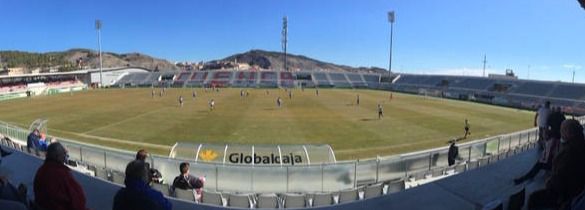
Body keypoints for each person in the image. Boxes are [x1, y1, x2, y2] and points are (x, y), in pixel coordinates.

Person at [527, 119, 585, 209]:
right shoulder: (579, 144)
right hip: (576, 192)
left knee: (534, 198)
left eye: (563, 130)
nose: (561, 132)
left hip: (566, 195)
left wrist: (549, 183)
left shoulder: (569, 152)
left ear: (570, 133)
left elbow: (559, 178)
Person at [34, 142, 90, 210]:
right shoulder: (62, 174)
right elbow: (79, 201)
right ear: (58, 157)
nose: (65, 156)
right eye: (64, 154)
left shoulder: (41, 171)